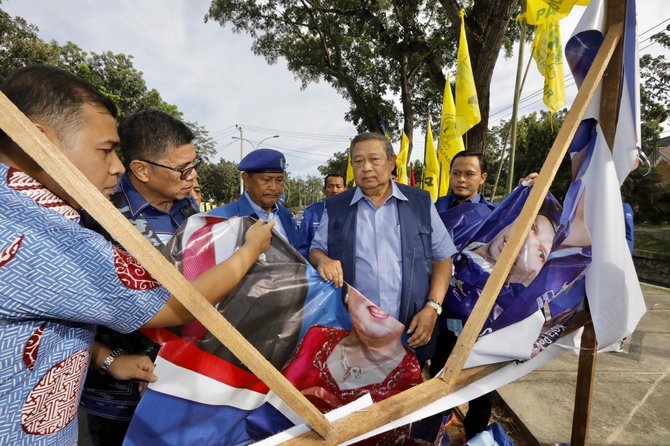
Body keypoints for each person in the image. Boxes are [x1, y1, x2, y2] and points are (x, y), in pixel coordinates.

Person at [0, 65, 274, 445]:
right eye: (106, 150)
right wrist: (250, 251)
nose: (116, 165)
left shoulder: (192, 214)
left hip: (187, 387)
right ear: (38, 141)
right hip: (113, 402)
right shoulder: (78, 222)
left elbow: (55, 323)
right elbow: (179, 304)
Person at [78, 109, 202, 445]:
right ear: (142, 169)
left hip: (188, 385)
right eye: (182, 169)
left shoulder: (189, 209)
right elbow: (60, 313)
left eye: (194, 164)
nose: (192, 177)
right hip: (117, 396)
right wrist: (109, 359)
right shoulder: (95, 215)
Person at [309, 132, 456, 364]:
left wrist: (433, 307)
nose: (366, 167)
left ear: (391, 162)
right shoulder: (336, 207)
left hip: (411, 326)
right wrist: (322, 260)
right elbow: (316, 250)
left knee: (411, 396)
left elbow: (442, 259)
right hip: (355, 329)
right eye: (358, 161)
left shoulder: (420, 202)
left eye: (374, 159)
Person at [248, 285, 422, 444]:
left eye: (394, 293)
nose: (379, 302)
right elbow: (278, 404)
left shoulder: (409, 372)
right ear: (348, 294)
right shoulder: (317, 337)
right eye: (367, 286)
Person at [209, 148, 298, 248]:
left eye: (279, 180)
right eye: (266, 180)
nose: (273, 187)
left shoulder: (286, 216)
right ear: (246, 179)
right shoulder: (220, 219)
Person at [296, 173, 346, 257]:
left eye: (338, 186)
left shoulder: (353, 211)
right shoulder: (310, 213)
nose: (334, 190)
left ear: (345, 189)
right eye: (330, 186)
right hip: (317, 266)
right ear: (324, 190)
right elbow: (302, 247)